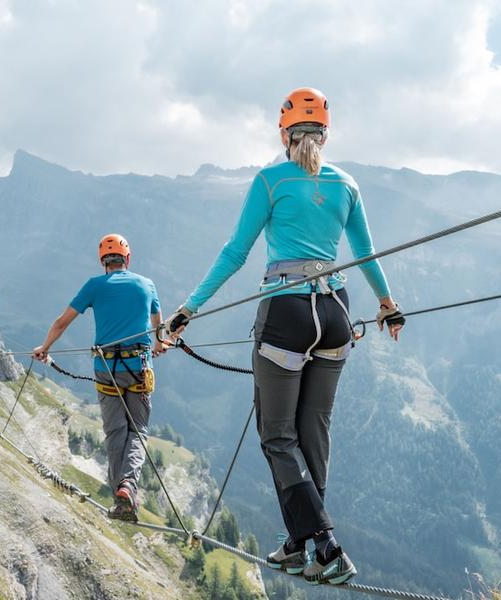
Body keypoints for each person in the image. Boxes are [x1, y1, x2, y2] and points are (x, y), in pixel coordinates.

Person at [164, 88, 405, 585]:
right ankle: (301, 544)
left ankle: (327, 544)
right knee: (314, 429)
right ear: (325, 132)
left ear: (284, 132)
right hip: (336, 313)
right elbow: (365, 253)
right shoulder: (347, 185)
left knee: (278, 435)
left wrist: (188, 309)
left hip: (286, 313)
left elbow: (234, 254)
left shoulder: (270, 182)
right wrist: (388, 305)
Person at [33, 233, 166, 522]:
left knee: (115, 431)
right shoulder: (147, 284)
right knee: (138, 429)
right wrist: (158, 344)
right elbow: (159, 326)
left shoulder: (94, 286)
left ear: (103, 261)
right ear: (127, 259)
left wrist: (45, 349)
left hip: (106, 369)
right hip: (139, 366)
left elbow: (61, 322)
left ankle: (121, 496)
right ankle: (128, 487)